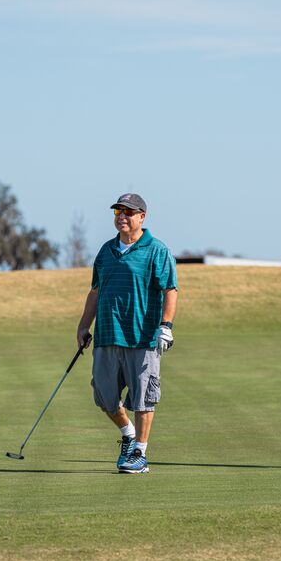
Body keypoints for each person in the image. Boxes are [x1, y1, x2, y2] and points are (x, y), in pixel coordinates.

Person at [76, 193, 178, 474]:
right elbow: (95, 291)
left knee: (144, 397)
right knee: (104, 395)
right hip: (107, 334)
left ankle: (140, 454)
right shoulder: (106, 251)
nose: (122, 216)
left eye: (128, 212)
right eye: (118, 211)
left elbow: (170, 290)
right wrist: (84, 326)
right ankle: (128, 433)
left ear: (142, 217)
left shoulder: (157, 250)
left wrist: (166, 326)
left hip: (142, 337)